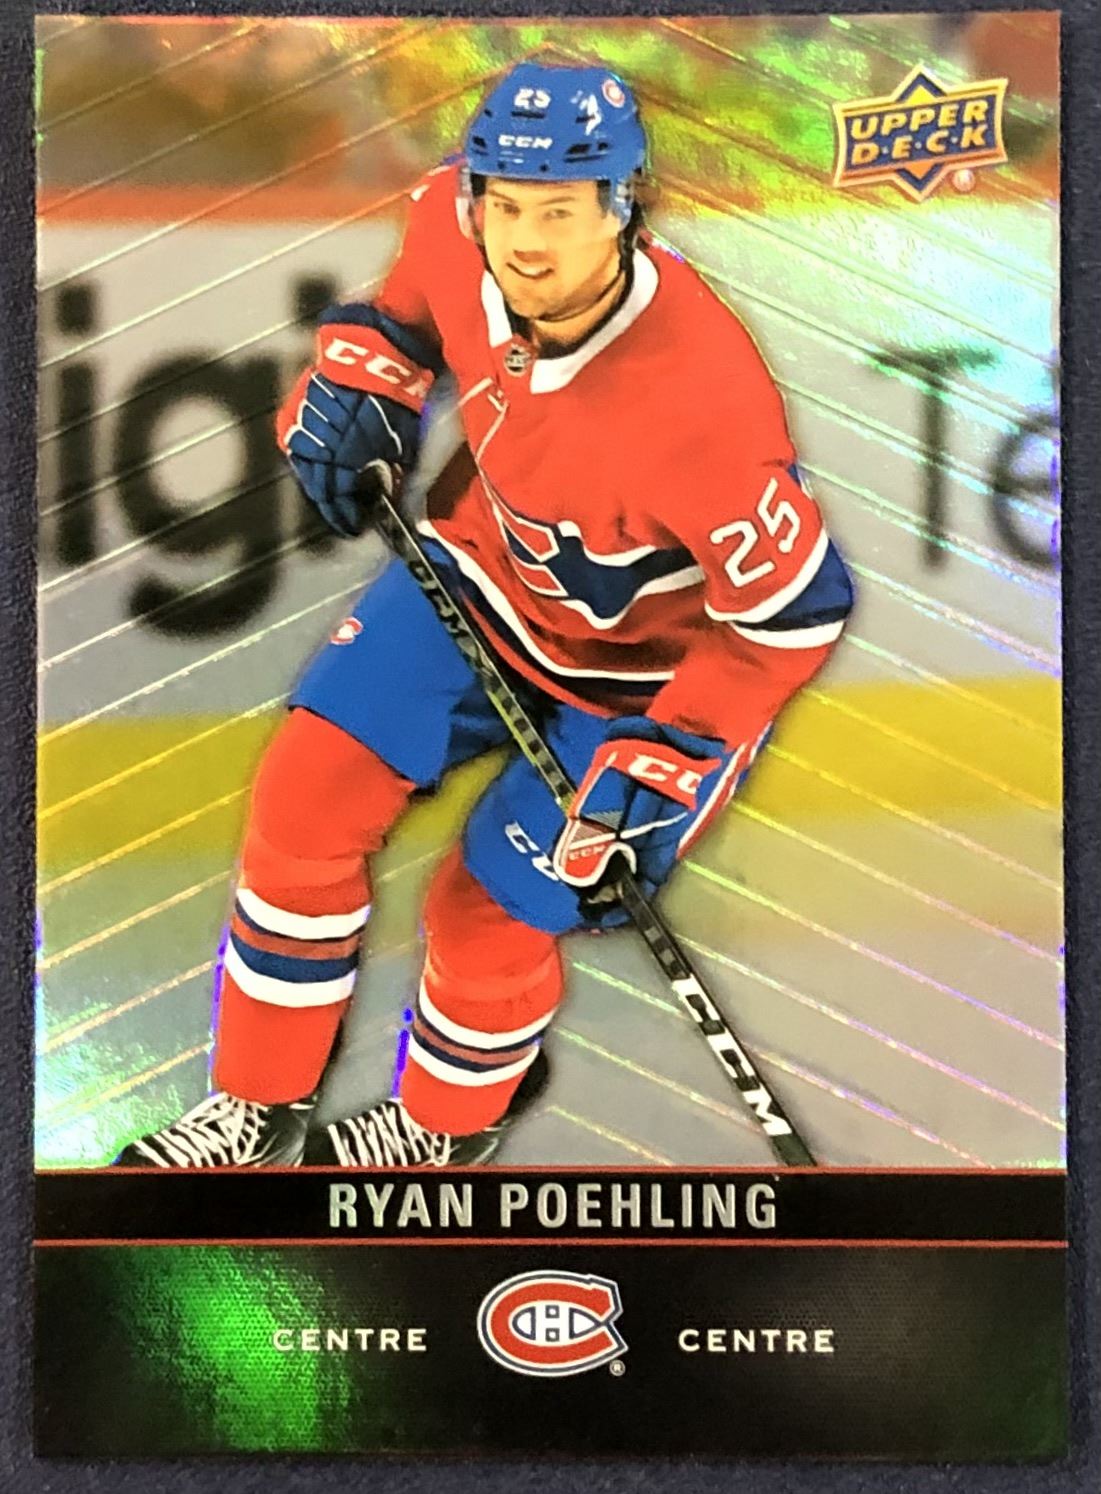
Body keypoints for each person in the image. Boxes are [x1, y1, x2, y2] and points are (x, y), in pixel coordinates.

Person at [113, 61, 853, 1170]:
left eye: (558, 212)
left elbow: (792, 617)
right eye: (504, 206)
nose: (524, 243)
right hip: (481, 578)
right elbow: (403, 319)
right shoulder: (451, 226)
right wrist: (366, 385)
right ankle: (256, 1106)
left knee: (485, 910)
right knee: (305, 800)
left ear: (623, 208)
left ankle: (444, 1125)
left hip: (643, 684)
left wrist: (673, 754)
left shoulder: (703, 403)